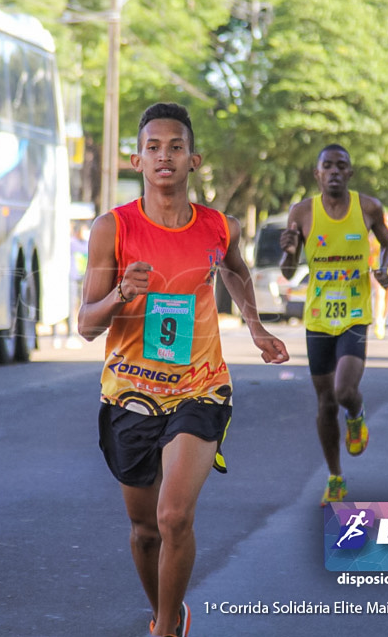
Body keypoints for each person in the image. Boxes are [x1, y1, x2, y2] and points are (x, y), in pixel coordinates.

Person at [77, 103, 289, 637]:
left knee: (174, 516)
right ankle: (166, 611)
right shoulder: (112, 229)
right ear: (137, 160)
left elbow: (237, 273)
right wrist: (122, 293)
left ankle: (167, 629)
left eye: (175, 147)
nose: (164, 156)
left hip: (201, 387)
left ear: (193, 160)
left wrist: (256, 326)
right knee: (145, 530)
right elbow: (85, 324)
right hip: (130, 392)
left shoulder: (220, 227)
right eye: (153, 148)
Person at [279, 144, 388, 505]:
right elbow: (287, 270)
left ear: (350, 173)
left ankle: (357, 414)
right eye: (326, 166)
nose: (333, 172)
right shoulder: (302, 212)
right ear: (317, 174)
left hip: (354, 315)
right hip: (318, 319)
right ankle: (335, 476)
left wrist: (384, 269)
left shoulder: (369, 207)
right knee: (326, 403)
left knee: (344, 391)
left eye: (341, 166)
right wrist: (289, 249)